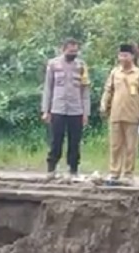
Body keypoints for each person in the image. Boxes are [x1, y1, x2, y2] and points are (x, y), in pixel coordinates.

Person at [100, 44, 139, 185]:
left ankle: (128, 173)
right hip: (116, 114)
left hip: (133, 115)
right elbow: (108, 90)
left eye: (126, 55)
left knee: (131, 146)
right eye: (121, 55)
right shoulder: (115, 73)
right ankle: (114, 172)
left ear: (132, 57)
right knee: (115, 145)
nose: (123, 58)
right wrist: (104, 104)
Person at [40, 37, 91, 180]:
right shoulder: (53, 64)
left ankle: (73, 170)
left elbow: (85, 91)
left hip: (76, 110)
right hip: (58, 108)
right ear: (63, 50)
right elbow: (48, 88)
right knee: (56, 139)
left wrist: (85, 113)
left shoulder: (81, 66)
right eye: (70, 51)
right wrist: (46, 110)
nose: (73, 53)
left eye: (75, 51)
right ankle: (51, 169)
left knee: (75, 141)